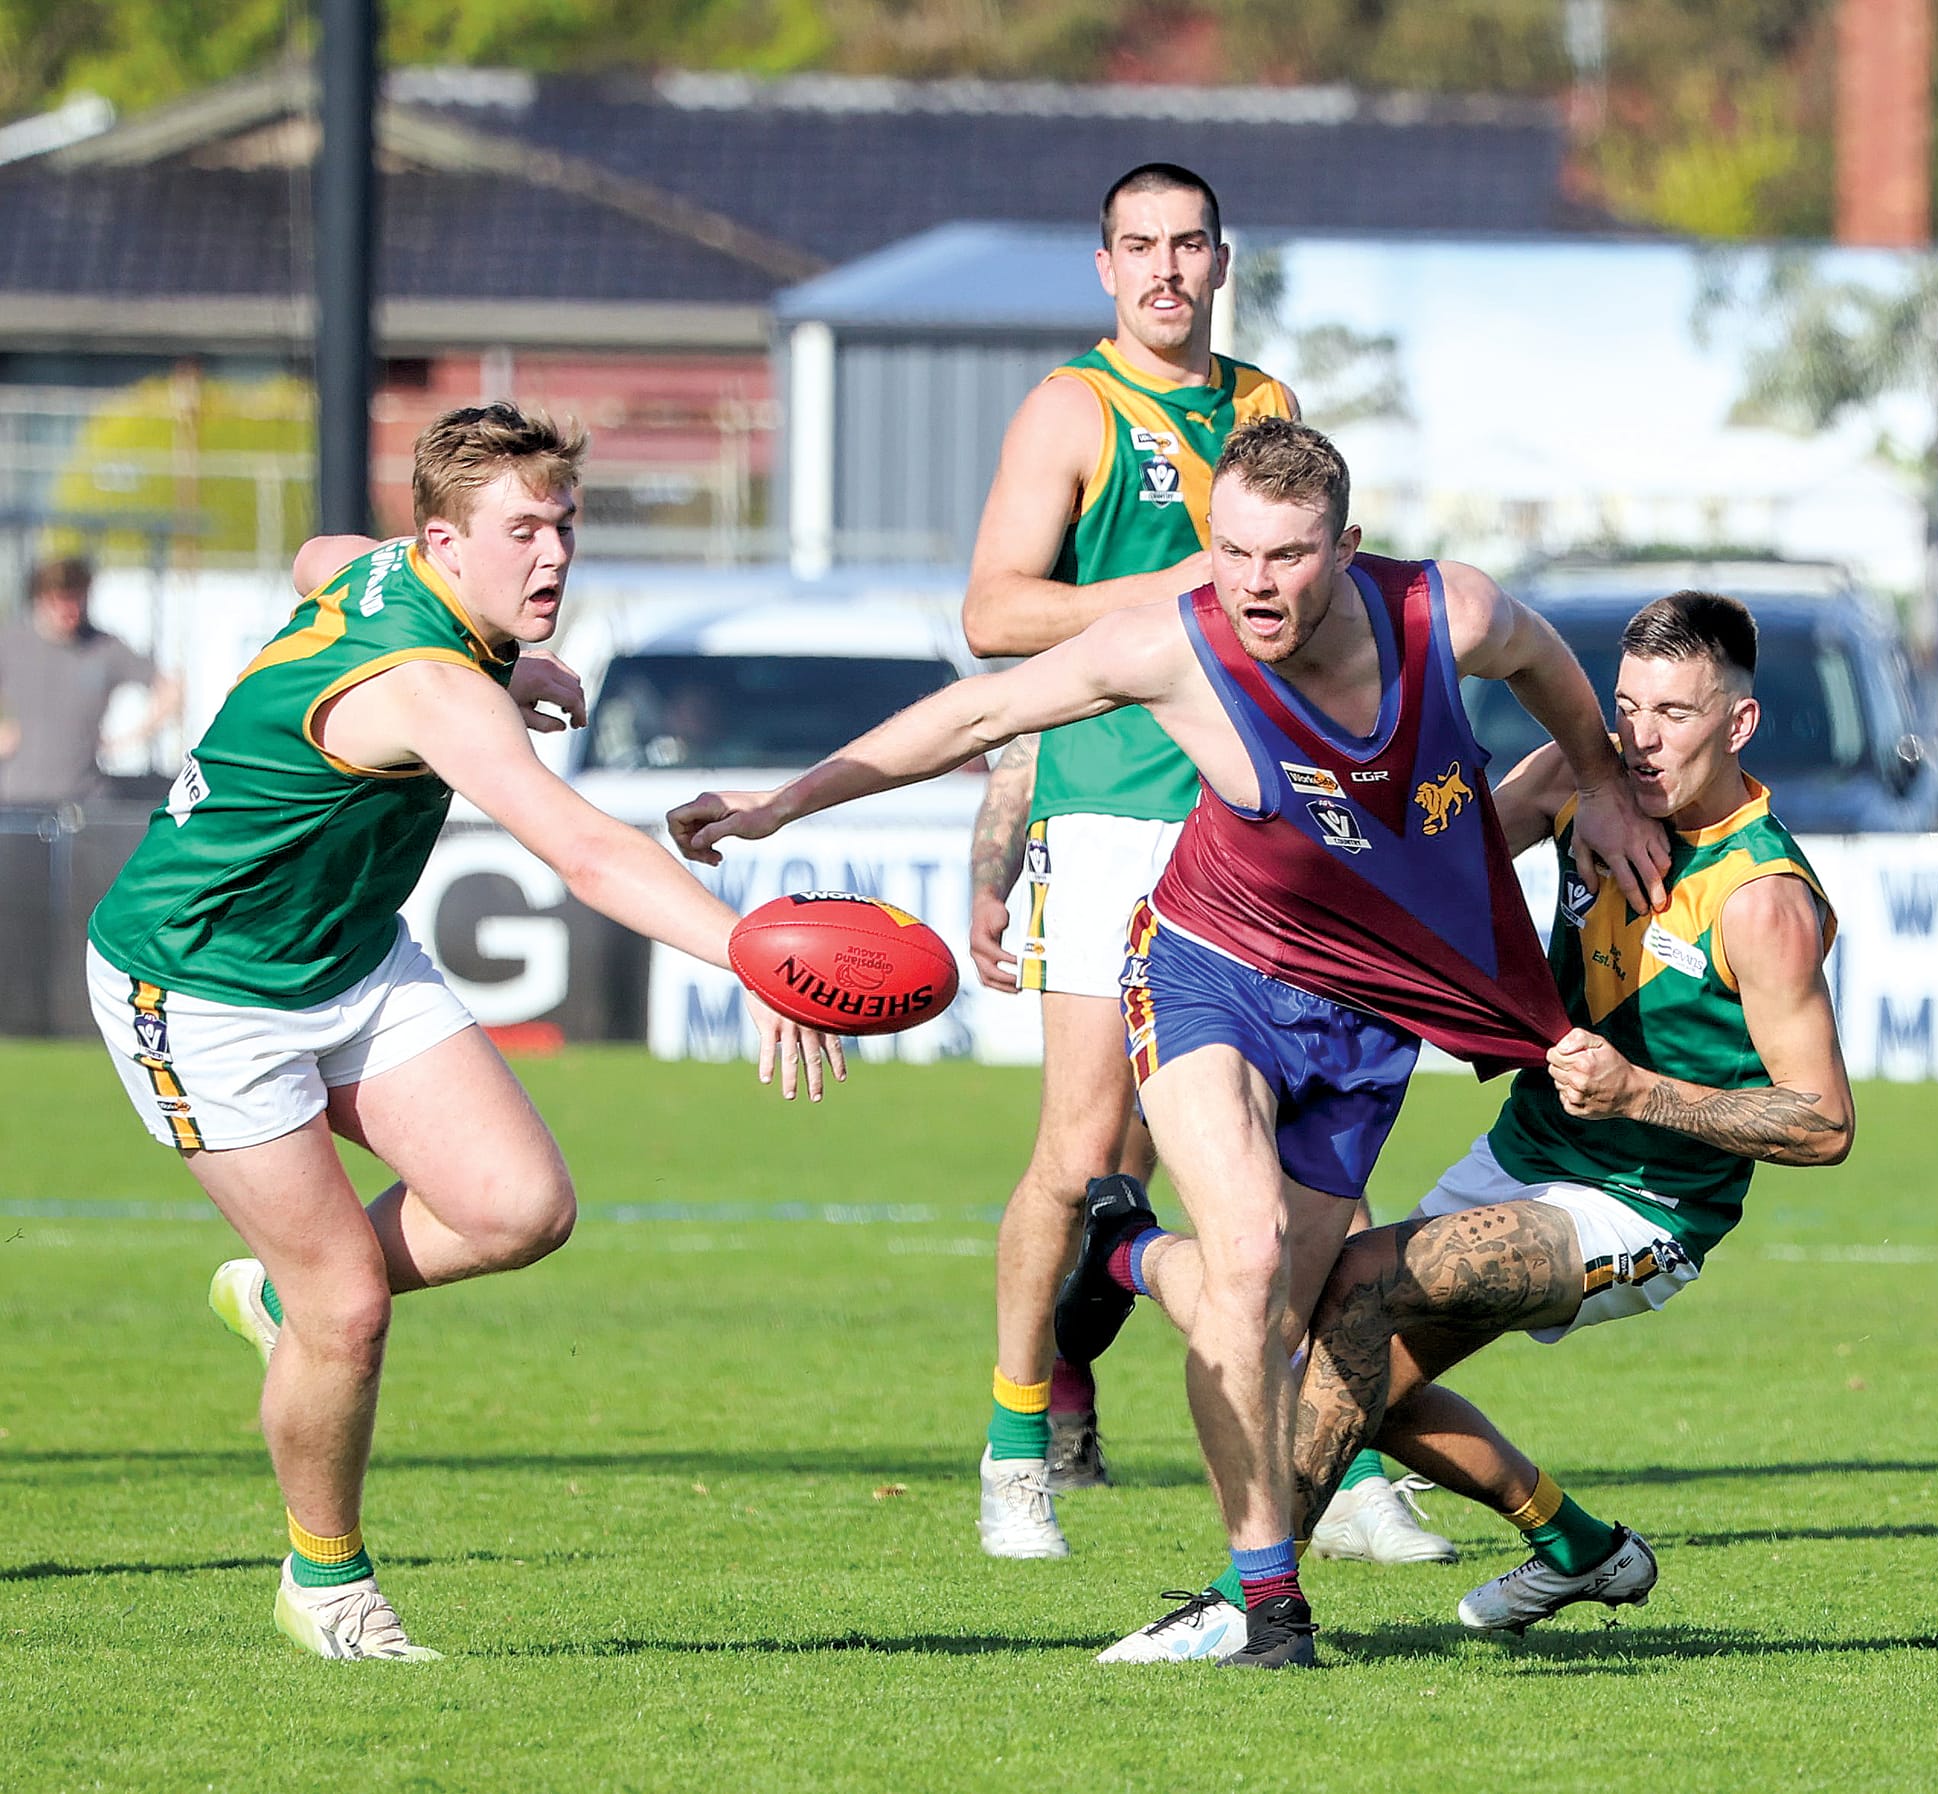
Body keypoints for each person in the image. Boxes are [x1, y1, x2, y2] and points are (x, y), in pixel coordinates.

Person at [670, 417, 1667, 1666]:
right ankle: (1268, 1612)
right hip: (1210, 974)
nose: (1255, 582)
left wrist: (1602, 776)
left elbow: (1541, 660)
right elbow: (976, 711)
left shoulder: (1441, 613)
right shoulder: (1171, 643)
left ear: (1344, 548)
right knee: (1246, 1266)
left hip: (1367, 1019)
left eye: (1288, 555)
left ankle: (1128, 1255)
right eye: (1234, 550)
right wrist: (778, 805)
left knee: (1282, 1329)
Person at [85, 402, 843, 1662]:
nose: (550, 555)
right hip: (199, 989)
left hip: (343, 950)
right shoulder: (433, 685)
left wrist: (514, 660)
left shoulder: (404, 581)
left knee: (517, 1209)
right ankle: (326, 1585)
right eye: (518, 533)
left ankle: (285, 1299)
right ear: (443, 541)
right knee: (349, 1309)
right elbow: (590, 854)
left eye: (562, 525)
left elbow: (317, 557)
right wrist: (757, 957)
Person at [1091, 590, 1852, 1662]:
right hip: (1524, 1154)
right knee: (1339, 1366)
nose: (1636, 739)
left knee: (1354, 1288)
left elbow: (1821, 1123)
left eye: (1674, 714)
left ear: (1736, 725)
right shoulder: (1574, 780)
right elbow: (1430, 868)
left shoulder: (1758, 901)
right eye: (1625, 706)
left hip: (1638, 1205)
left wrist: (1637, 1094)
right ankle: (1582, 1551)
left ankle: (1240, 1605)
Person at [957, 161, 1299, 1552]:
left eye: (1190, 244)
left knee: (1275, 1143)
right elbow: (992, 611)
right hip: (1107, 814)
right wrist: (1170, 587)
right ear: (1104, 266)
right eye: (1139, 246)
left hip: (1248, 820)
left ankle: (1324, 1456)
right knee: (1081, 1145)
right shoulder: (1073, 407)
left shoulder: (1267, 407)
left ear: (1223, 259)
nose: (1166, 268)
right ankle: (1015, 1441)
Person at [0, 555, 181, 805]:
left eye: (76, 598)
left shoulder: (104, 648)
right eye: (60, 600)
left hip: (83, 800)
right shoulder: (12, 641)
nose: (70, 610)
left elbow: (170, 689)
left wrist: (131, 738)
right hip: (16, 799)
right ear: (41, 598)